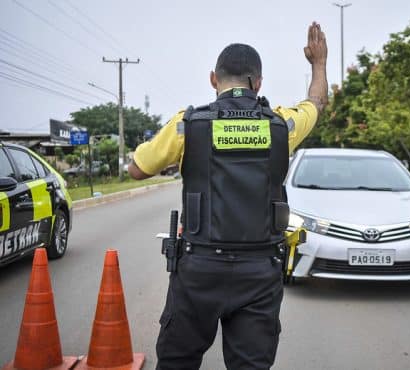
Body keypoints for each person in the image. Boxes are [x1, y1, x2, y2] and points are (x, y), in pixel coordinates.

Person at [128, 22, 328, 370]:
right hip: (259, 271)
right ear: (259, 83)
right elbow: (317, 102)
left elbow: (136, 169)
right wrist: (319, 64)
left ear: (213, 79)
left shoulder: (186, 126)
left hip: (199, 268)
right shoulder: (283, 125)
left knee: (177, 362)